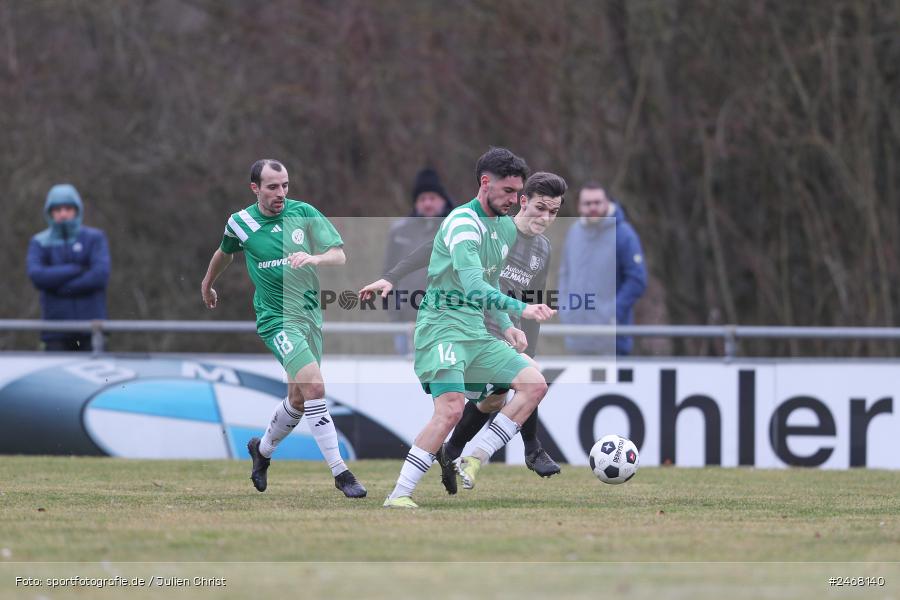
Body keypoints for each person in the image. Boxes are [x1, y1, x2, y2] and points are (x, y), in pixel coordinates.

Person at [360, 171, 567, 494]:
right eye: (541, 207)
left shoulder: (542, 248)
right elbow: (435, 248)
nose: (546, 217)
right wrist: (392, 276)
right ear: (523, 202)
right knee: (477, 399)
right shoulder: (495, 228)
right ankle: (528, 448)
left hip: (501, 325)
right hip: (469, 321)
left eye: (554, 212)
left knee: (498, 397)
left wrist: (524, 336)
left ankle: (455, 452)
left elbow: (533, 298)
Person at [201, 159, 366, 498]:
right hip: (276, 319)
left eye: (285, 185)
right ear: (255, 189)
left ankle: (261, 452)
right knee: (316, 388)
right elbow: (225, 253)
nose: (281, 193)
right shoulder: (241, 222)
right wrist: (207, 284)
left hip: (308, 316)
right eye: (273, 187)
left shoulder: (303, 212)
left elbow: (339, 255)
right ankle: (341, 473)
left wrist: (315, 258)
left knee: (299, 398)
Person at [558, 184, 646, 355]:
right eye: (587, 203)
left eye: (597, 202)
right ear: (579, 206)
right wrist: (565, 309)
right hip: (577, 338)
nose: (592, 207)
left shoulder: (624, 234)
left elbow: (637, 280)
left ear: (607, 203)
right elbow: (565, 273)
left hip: (612, 341)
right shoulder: (574, 232)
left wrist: (611, 314)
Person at [26, 184, 111, 352]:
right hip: (55, 332)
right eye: (57, 209)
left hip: (92, 331)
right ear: (49, 213)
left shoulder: (94, 238)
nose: (63, 214)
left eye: (68, 208)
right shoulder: (39, 242)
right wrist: (76, 269)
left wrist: (58, 287)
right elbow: (37, 275)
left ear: (77, 210)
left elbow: (100, 275)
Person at [382, 168, 453, 354]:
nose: (427, 203)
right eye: (422, 199)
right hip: (406, 323)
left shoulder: (454, 229)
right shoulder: (399, 231)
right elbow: (388, 273)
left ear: (443, 199)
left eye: (432, 198)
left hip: (445, 321)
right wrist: (395, 314)